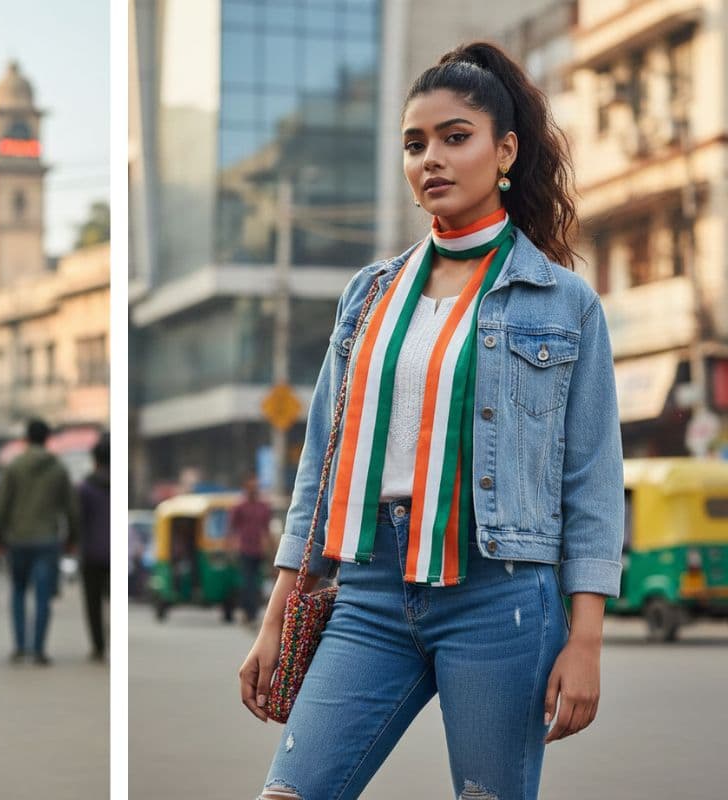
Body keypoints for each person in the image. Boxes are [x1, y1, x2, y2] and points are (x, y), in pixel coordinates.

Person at [239, 42, 624, 800]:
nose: (431, 160)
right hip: (370, 588)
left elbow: (591, 481)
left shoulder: (563, 303)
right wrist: (278, 609)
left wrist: (586, 641)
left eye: (456, 137)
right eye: (415, 144)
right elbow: (322, 459)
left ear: (504, 151)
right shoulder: (371, 293)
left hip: (500, 595)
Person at [0, 418, 78, 665]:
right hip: (47, 541)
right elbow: (71, 508)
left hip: (18, 540)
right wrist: (73, 538)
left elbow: (0, 507)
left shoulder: (14, 467)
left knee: (18, 591)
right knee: (43, 596)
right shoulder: (59, 469)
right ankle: (39, 648)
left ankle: (20, 646)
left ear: (27, 439)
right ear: (48, 439)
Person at [78, 433, 110, 661]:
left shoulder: (85, 488)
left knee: (93, 603)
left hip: (91, 553)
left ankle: (98, 646)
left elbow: (77, 519)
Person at [228, 475, 272, 625]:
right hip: (244, 548)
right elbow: (232, 528)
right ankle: (248, 611)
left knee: (257, 582)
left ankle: (252, 611)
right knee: (247, 581)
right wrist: (231, 546)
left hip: (259, 549)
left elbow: (267, 529)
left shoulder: (263, 507)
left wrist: (270, 548)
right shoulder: (239, 506)